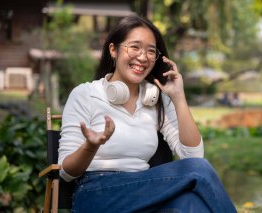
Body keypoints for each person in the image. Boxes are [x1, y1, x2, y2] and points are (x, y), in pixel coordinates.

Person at [58, 14, 237, 212]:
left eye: (151, 51)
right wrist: (90, 146)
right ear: (113, 50)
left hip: (142, 192)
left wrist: (178, 97)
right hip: (97, 193)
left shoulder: (155, 99)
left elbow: (193, 155)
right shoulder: (86, 94)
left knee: (190, 203)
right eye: (134, 47)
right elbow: (66, 173)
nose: (143, 57)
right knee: (200, 171)